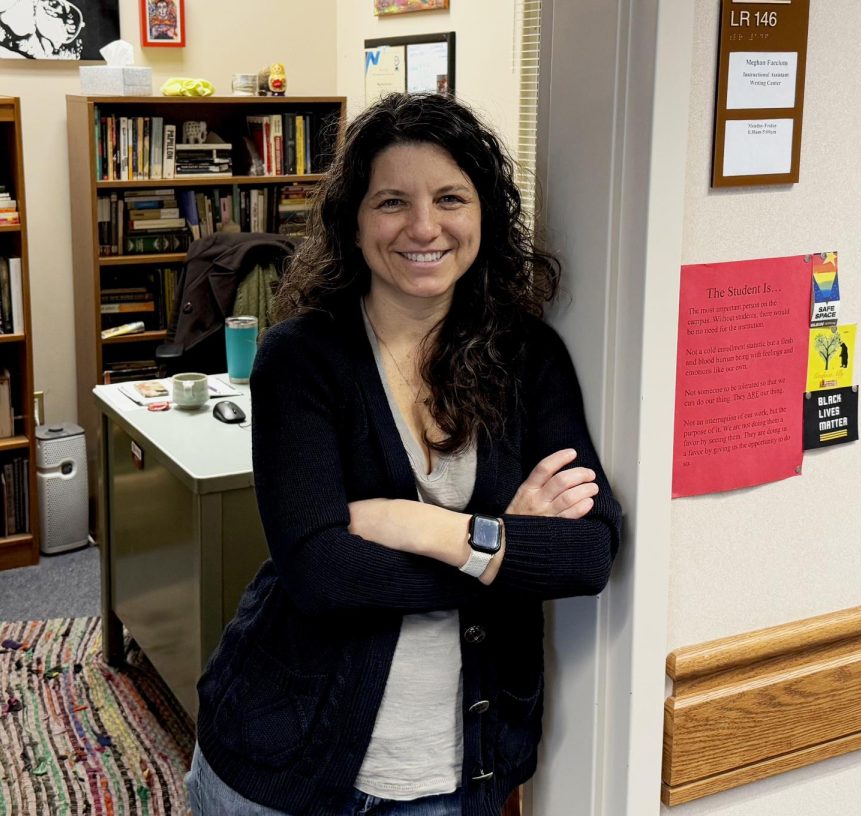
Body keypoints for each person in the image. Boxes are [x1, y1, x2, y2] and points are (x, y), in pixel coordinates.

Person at [186, 92, 622, 816]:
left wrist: (430, 529)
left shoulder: (528, 357)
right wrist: (505, 546)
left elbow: (592, 552)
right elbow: (321, 572)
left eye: (450, 197)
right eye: (392, 202)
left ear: (483, 213)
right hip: (285, 758)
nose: (424, 227)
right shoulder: (302, 358)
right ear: (353, 222)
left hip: (456, 772)